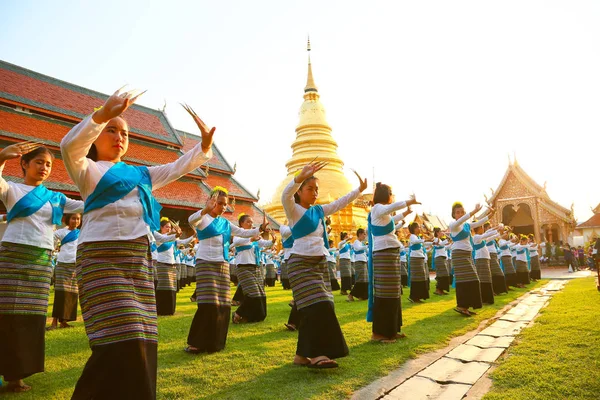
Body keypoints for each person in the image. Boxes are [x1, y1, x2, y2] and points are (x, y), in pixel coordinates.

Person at [61, 90, 214, 399]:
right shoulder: (86, 170)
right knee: (118, 335)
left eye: (125, 132)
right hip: (100, 259)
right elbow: (68, 145)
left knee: (143, 335)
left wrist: (204, 147)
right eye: (111, 130)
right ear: (96, 136)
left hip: (138, 261)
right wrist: (102, 114)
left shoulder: (142, 174)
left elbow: (177, 167)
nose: (119, 136)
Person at [0, 143, 83, 393]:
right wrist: (2, 156)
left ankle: (17, 375)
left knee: (31, 318)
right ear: (24, 164)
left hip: (42, 259)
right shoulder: (12, 189)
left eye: (48, 164)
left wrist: (112, 193)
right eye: (39, 162)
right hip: (13, 255)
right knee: (7, 315)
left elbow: (84, 205)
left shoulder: (56, 198)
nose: (44, 168)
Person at [282, 161, 367, 368]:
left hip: (319, 263)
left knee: (322, 305)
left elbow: (341, 202)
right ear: (299, 192)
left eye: (316, 189)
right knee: (316, 305)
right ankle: (318, 354)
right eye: (309, 189)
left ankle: (302, 356)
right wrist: (299, 177)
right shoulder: (293, 210)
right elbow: (285, 195)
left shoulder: (319, 211)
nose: (314, 193)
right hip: (300, 263)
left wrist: (359, 190)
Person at [185, 188, 268, 353]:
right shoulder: (203, 218)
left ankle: (216, 342)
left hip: (222, 264)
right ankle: (198, 342)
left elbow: (243, 232)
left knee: (223, 305)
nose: (223, 207)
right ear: (212, 201)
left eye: (225, 204)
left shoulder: (225, 223)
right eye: (220, 203)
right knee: (208, 304)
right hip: (206, 263)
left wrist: (260, 229)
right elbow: (190, 220)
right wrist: (205, 210)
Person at [366, 182, 417, 343]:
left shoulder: (381, 214)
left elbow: (392, 218)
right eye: (391, 193)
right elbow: (390, 209)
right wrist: (409, 202)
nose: (392, 195)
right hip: (384, 254)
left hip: (389, 254)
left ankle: (392, 330)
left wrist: (405, 213)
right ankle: (379, 333)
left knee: (394, 291)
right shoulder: (377, 208)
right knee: (385, 292)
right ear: (385, 195)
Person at [449, 202, 494, 317]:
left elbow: (479, 222)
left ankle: (465, 306)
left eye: (462, 212)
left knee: (471, 280)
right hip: (459, 254)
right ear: (454, 214)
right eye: (457, 212)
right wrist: (474, 211)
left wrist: (492, 213)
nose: (460, 214)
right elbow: (460, 221)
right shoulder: (453, 225)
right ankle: (462, 306)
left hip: (467, 254)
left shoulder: (466, 226)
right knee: (467, 280)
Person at [231, 213, 273, 324]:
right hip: (243, 267)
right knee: (252, 293)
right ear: (241, 224)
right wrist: (251, 239)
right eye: (248, 222)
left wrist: (273, 241)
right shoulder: (238, 235)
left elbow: (265, 243)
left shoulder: (254, 237)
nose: (251, 224)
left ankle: (256, 316)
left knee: (261, 293)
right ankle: (238, 313)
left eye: (252, 222)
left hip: (255, 267)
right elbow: (237, 242)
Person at [154, 218, 195, 315]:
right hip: (162, 265)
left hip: (172, 266)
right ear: (161, 227)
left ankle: (170, 310)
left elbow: (183, 242)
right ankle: (162, 310)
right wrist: (173, 234)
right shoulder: (158, 238)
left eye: (170, 227)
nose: (169, 229)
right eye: (166, 227)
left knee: (171, 288)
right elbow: (164, 238)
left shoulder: (172, 239)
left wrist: (193, 236)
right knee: (163, 288)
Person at [48, 213, 82, 330]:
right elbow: (51, 239)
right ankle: (54, 322)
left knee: (71, 294)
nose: (76, 221)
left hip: (75, 266)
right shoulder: (61, 232)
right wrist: (52, 250)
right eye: (73, 218)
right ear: (68, 219)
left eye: (78, 219)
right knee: (60, 293)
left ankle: (64, 321)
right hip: (62, 265)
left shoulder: (81, 233)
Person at [347, 228, 369, 301]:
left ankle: (362, 296)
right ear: (359, 234)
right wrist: (366, 247)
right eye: (364, 234)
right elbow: (358, 248)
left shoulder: (362, 242)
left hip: (364, 261)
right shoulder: (356, 242)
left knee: (364, 280)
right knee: (360, 279)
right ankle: (351, 294)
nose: (365, 236)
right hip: (359, 262)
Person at [432, 227, 451, 295]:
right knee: (442, 274)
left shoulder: (439, 240)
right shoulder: (436, 239)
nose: (442, 233)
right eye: (440, 232)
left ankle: (440, 289)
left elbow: (443, 247)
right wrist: (446, 239)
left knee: (443, 274)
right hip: (439, 258)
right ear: (437, 233)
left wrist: (449, 242)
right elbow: (437, 245)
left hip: (442, 258)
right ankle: (438, 289)